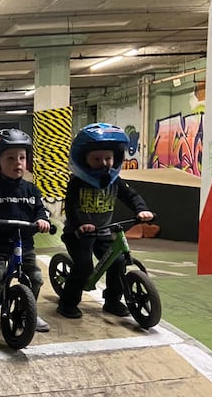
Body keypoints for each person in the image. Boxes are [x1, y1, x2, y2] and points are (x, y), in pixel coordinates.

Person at [57, 122, 154, 319]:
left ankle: (112, 300)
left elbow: (131, 196)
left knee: (117, 263)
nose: (104, 163)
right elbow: (72, 208)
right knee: (84, 267)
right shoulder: (77, 183)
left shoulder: (114, 181)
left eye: (108, 158)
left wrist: (142, 209)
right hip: (78, 234)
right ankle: (67, 303)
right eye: (96, 159)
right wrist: (81, 224)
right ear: (83, 160)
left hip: (103, 232)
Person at [0, 128, 52, 336]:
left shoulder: (32, 190)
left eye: (22, 157)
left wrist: (42, 219)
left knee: (35, 277)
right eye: (11, 158)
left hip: (24, 245)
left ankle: (27, 311)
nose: (18, 163)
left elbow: (41, 210)